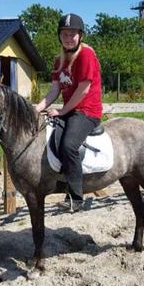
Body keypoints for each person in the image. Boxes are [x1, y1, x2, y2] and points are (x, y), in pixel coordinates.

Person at [35, 13, 103, 212]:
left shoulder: (86, 55)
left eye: (72, 34)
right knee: (50, 139)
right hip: (69, 110)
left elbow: (84, 90)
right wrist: (37, 108)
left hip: (87, 111)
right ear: (59, 36)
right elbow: (55, 90)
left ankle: (76, 197)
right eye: (64, 34)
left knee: (68, 145)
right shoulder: (59, 60)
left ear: (80, 35)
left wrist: (62, 110)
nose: (68, 38)